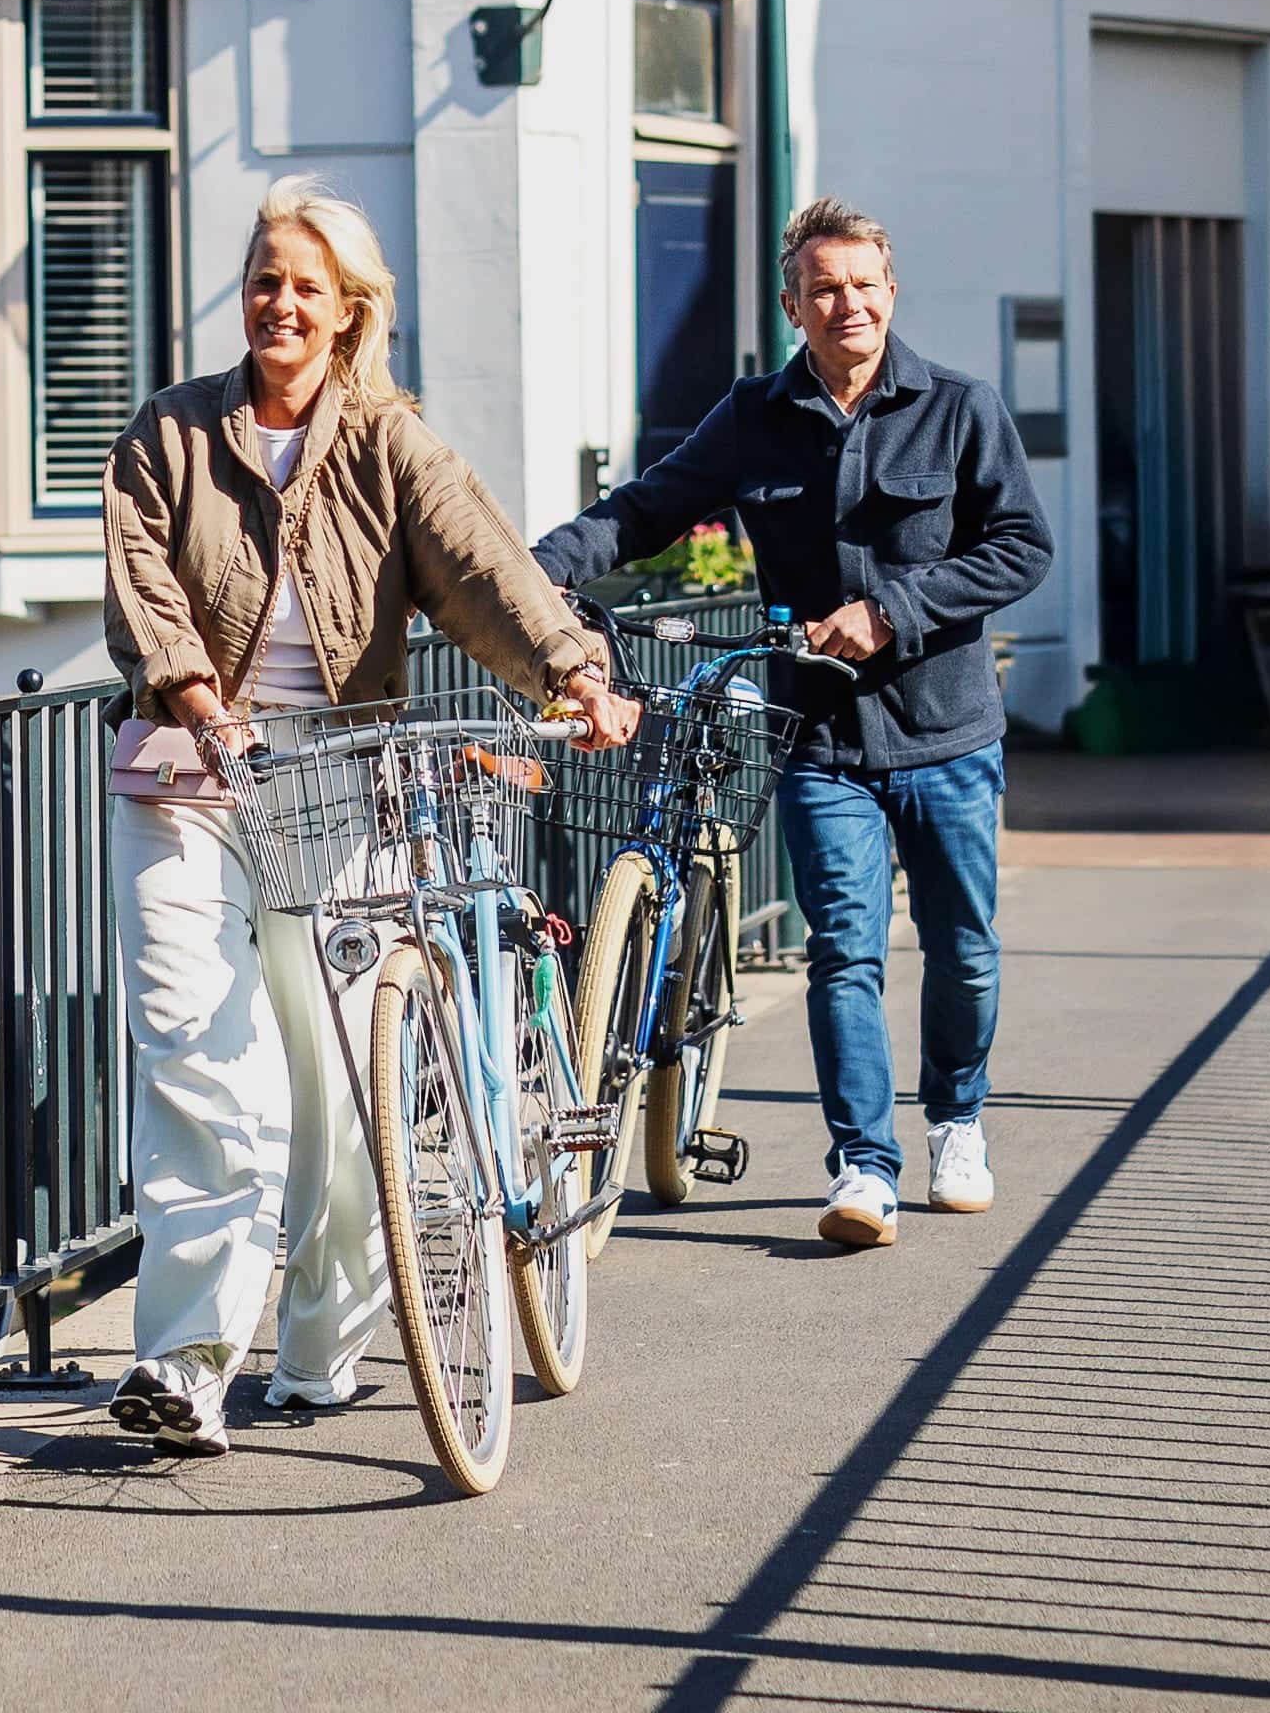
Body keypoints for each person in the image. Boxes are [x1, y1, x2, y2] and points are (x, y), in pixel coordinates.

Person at [94, 174, 633, 1455]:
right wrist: (194, 693)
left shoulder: (392, 442)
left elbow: (485, 567)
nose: (280, 302)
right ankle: (188, 1360)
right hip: (190, 774)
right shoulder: (167, 434)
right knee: (201, 1060)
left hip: (342, 780)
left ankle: (321, 1348)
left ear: (351, 311)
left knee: (339, 1090)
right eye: (264, 278)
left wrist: (574, 672)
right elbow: (142, 588)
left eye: (306, 287)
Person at [537, 198, 1050, 1249]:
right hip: (818, 737)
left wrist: (893, 611)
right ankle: (864, 1164)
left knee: (965, 951)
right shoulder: (754, 414)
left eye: (863, 284)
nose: (846, 302)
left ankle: (957, 1118)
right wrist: (522, 577)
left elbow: (1020, 548)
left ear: (890, 292)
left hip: (947, 731)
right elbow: (641, 511)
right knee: (844, 952)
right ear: (793, 304)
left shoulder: (960, 408)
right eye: (825, 288)